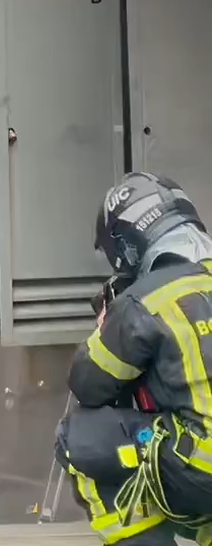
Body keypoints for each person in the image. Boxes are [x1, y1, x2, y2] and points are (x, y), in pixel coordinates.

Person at [57, 172, 212, 546]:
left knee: (79, 436)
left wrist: (107, 323)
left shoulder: (146, 300)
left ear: (127, 245)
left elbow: (88, 383)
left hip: (202, 470)